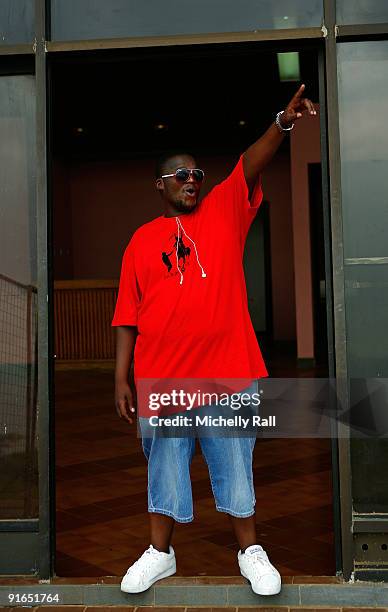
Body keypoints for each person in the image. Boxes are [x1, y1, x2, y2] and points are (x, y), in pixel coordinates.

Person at [112, 84, 316, 596]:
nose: (192, 181)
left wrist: (282, 123)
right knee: (165, 470)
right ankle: (160, 554)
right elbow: (126, 316)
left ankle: (250, 552)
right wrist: (121, 377)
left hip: (228, 373)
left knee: (235, 466)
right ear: (160, 185)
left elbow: (250, 162)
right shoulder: (139, 241)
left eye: (197, 174)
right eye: (180, 175)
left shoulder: (224, 213)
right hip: (164, 378)